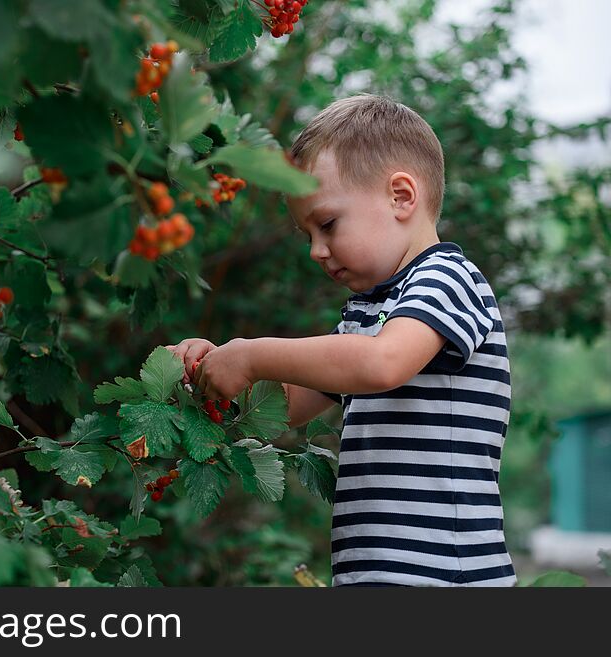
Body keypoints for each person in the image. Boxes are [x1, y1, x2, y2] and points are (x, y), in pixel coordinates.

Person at [165, 94, 516, 587]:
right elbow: (283, 408)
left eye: (327, 224)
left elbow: (382, 363)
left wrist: (253, 353)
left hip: (445, 575)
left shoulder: (448, 278)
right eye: (306, 233)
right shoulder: (371, 312)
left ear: (400, 196)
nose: (315, 251)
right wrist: (212, 371)